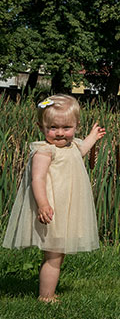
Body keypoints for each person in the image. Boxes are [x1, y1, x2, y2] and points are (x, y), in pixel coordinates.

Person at [3, 95, 106, 302]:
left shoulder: (72, 147)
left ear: (76, 125)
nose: (60, 133)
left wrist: (92, 138)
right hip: (53, 209)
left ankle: (48, 291)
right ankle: (46, 296)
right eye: (53, 128)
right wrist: (42, 204)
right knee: (54, 255)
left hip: (67, 209)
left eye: (66, 127)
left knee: (57, 254)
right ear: (41, 127)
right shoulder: (44, 151)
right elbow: (37, 179)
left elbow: (81, 152)